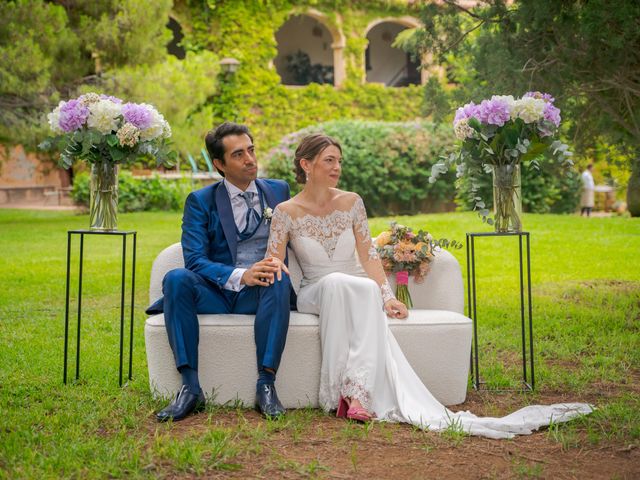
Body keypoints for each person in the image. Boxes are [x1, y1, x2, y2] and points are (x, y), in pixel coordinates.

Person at [266, 133, 592, 439]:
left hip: (358, 290)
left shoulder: (352, 202)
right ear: (306, 165)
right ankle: (344, 390)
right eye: (329, 161)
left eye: (339, 161)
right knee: (342, 284)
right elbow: (275, 261)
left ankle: (356, 394)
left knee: (362, 288)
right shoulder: (285, 212)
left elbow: (369, 257)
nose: (337, 167)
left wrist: (388, 296)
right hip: (314, 292)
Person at [146, 122, 293, 422]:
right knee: (176, 279)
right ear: (219, 164)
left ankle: (266, 385)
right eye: (238, 154)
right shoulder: (200, 201)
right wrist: (241, 275)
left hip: (260, 293)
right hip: (215, 293)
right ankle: (189, 387)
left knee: (278, 274)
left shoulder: (278, 191)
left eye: (251, 150)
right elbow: (195, 261)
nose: (250, 159)